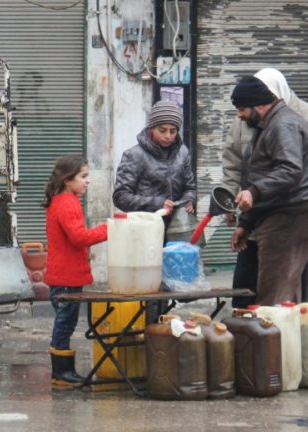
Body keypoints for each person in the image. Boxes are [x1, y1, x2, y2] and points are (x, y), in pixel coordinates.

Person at [223, 68, 308, 307]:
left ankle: (273, 343)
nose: (238, 115)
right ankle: (259, 340)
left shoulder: (290, 123)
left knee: (277, 300)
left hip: (289, 219)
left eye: (242, 109)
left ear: (260, 102)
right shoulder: (261, 122)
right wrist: (243, 220)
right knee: (255, 294)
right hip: (264, 216)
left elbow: (298, 171)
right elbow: (240, 167)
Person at [113, 100, 197, 322]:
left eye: (173, 130)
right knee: (148, 288)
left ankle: (160, 330)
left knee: (170, 287)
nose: (168, 135)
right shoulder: (134, 155)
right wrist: (157, 203)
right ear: (151, 129)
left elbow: (190, 186)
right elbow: (120, 196)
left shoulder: (183, 153)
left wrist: (189, 199)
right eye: (162, 130)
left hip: (175, 233)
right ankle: (146, 330)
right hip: (145, 233)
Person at [44, 155, 107, 389]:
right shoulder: (68, 203)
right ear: (67, 179)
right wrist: (107, 229)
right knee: (65, 324)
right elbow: (79, 237)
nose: (87, 181)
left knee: (65, 322)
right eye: (83, 176)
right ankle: (61, 373)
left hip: (61, 275)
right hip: (66, 278)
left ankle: (63, 372)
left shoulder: (59, 200)